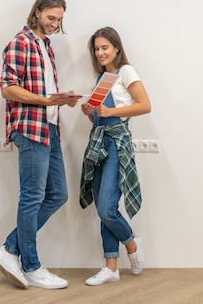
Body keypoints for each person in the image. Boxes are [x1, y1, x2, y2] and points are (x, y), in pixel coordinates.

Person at [0, 0, 81, 290]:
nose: (55, 23)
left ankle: (9, 249)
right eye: (51, 17)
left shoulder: (45, 46)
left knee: (58, 195)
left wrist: (60, 100)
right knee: (31, 196)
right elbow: (8, 88)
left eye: (59, 19)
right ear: (37, 12)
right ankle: (30, 265)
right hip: (30, 130)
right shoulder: (21, 42)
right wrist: (46, 100)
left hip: (49, 129)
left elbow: (43, 92)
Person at [79, 26, 151, 286]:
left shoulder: (126, 72)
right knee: (102, 207)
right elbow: (98, 118)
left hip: (117, 144)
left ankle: (132, 243)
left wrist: (110, 113)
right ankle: (111, 267)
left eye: (105, 48)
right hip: (98, 143)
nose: (100, 53)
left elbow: (145, 105)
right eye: (97, 49)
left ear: (117, 48)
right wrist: (90, 112)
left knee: (108, 208)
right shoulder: (101, 79)